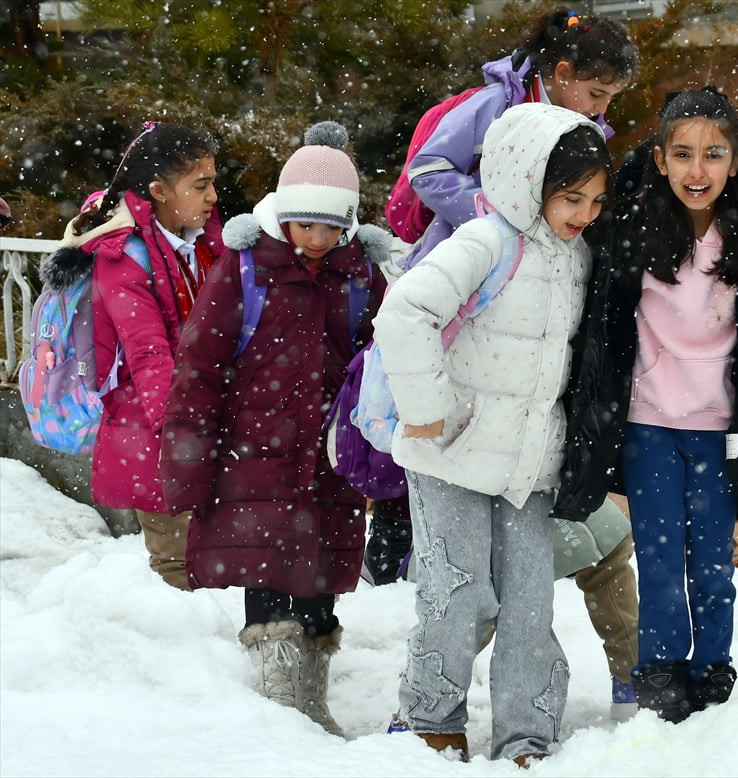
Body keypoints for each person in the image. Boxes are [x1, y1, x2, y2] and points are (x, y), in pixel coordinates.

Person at [368, 4, 643, 715]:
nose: (602, 109)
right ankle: (430, 709)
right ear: (562, 73)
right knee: (465, 583)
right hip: (474, 311)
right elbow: (428, 169)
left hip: (527, 429)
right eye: (596, 93)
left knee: (538, 581)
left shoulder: (576, 219)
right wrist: (499, 217)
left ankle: (562, 702)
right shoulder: (495, 112)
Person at [552, 87, 738, 723]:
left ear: (736, 160)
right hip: (647, 427)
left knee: (713, 566)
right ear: (661, 159)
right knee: (659, 561)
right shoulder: (629, 229)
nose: (697, 170)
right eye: (682, 154)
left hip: (722, 432)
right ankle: (661, 678)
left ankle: (711, 674)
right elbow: (598, 328)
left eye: (713, 154)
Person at [158, 122, 391, 737]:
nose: (317, 239)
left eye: (331, 227)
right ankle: (278, 707)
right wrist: (188, 464)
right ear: (284, 214)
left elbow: (385, 361)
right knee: (264, 575)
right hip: (252, 455)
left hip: (331, 457)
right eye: (305, 224)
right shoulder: (243, 270)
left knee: (320, 577)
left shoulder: (360, 275)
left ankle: (311, 701)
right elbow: (199, 368)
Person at [38, 122, 223, 591]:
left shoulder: (200, 244)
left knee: (210, 558)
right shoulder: (127, 257)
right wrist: (179, 434)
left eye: (212, 182)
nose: (212, 196)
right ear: (159, 191)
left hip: (199, 421)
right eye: (200, 185)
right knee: (177, 564)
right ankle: (174, 633)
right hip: (155, 430)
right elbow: (148, 353)